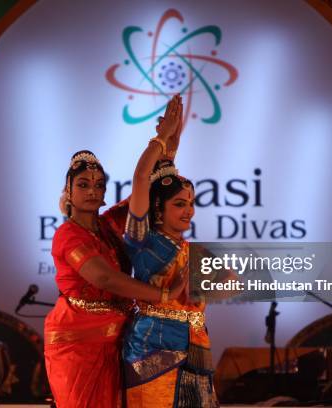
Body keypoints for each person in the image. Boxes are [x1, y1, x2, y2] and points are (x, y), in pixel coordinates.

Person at [44, 150, 185, 408]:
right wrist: (163, 295)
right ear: (69, 191)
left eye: (99, 185)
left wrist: (167, 143)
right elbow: (103, 277)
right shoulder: (68, 235)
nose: (91, 191)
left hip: (118, 338)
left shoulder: (107, 226)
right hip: (79, 345)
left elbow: (145, 187)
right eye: (83, 185)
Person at [122, 95, 219, 407]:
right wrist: (161, 140)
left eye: (191, 204)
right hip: (153, 351)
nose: (188, 210)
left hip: (196, 349)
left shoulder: (192, 251)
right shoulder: (143, 239)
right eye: (179, 204)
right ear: (159, 210)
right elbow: (140, 179)